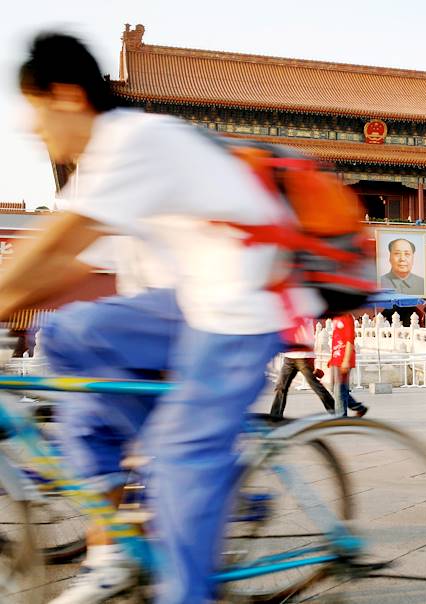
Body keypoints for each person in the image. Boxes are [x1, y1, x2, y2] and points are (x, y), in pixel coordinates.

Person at [6, 33, 310, 603]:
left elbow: (52, 248)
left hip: (243, 304)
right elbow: (64, 268)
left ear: (67, 97)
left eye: (38, 114)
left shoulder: (135, 139)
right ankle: (117, 539)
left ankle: (182, 538)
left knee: (179, 462)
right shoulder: (107, 157)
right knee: (68, 346)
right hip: (190, 303)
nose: (34, 131)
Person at [270, 317, 335, 419]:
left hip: (304, 357)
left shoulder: (303, 314)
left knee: (316, 386)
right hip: (289, 357)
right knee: (280, 387)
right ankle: (275, 417)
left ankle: (335, 412)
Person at [328, 314, 368, 417]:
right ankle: (359, 408)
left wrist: (346, 360)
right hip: (336, 358)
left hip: (344, 358)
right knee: (336, 389)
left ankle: (341, 418)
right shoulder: (336, 318)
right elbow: (336, 340)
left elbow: (350, 339)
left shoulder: (347, 317)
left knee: (339, 391)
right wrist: (332, 358)